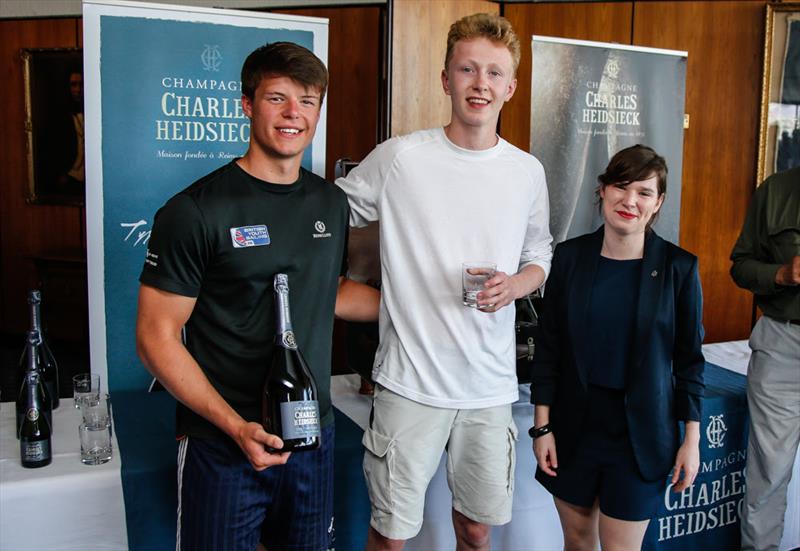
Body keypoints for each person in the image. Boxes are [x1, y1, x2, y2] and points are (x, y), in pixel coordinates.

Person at [135, 42, 379, 551]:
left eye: (308, 101)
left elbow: (330, 293)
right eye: (278, 98)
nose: (295, 114)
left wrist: (420, 308)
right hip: (223, 440)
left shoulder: (329, 202)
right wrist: (233, 425)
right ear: (246, 105)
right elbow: (155, 337)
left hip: (312, 433)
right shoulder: (195, 211)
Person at [336, 13, 553, 551]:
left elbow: (539, 254)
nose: (481, 83)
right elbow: (328, 212)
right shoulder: (401, 157)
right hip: (411, 381)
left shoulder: (527, 171)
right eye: (467, 69)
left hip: (489, 384)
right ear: (445, 78)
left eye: (494, 73)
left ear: (511, 87)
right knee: (391, 535)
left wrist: (516, 285)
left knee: (476, 531)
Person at [531, 144, 705, 550]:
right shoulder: (570, 258)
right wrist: (542, 427)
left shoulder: (680, 268)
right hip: (574, 430)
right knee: (576, 543)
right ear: (603, 190)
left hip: (639, 437)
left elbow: (689, 363)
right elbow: (549, 348)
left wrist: (691, 441)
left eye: (644, 192)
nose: (630, 201)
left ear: (658, 202)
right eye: (621, 187)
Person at [731, 166, 800, 551]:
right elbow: (740, 266)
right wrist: (781, 275)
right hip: (783, 341)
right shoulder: (776, 190)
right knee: (768, 476)